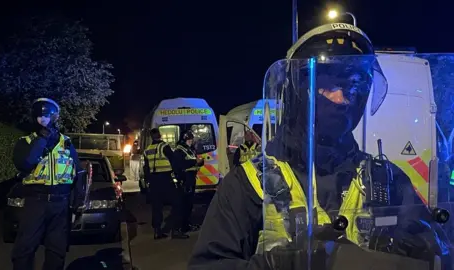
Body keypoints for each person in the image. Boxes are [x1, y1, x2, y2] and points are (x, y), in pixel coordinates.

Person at [188, 24, 449, 269]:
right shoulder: (249, 184)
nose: (342, 99)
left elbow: (436, 248)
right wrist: (276, 265)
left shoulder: (386, 180)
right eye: (327, 85)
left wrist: (427, 249)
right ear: (297, 91)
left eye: (352, 87)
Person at [11, 98, 85, 270]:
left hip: (61, 202)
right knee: (24, 248)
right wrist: (41, 140)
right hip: (36, 201)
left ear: (55, 117)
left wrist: (78, 198)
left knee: (57, 249)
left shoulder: (66, 142)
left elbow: (78, 170)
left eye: (46, 115)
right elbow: (25, 164)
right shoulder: (27, 141)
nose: (42, 119)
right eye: (39, 116)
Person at [143, 128, 188, 239]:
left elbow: (146, 169)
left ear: (151, 137)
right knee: (177, 203)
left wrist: (148, 182)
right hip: (166, 180)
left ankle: (157, 231)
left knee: (156, 207)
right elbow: (174, 162)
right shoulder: (164, 147)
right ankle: (176, 231)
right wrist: (179, 176)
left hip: (154, 182)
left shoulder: (147, 150)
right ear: (160, 135)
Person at [173, 130, 205, 233]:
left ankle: (187, 225)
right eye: (190, 140)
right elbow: (181, 164)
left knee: (189, 204)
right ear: (185, 139)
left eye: (192, 140)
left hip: (191, 178)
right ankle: (182, 227)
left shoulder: (189, 149)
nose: (191, 141)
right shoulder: (179, 150)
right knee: (184, 204)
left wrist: (200, 162)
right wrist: (195, 161)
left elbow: (194, 161)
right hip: (184, 179)